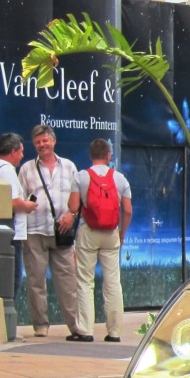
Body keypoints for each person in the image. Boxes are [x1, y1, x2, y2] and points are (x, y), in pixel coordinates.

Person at [18, 124, 84, 339]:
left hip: (62, 231)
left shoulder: (69, 166)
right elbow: (20, 198)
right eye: (37, 142)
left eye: (45, 141)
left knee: (68, 281)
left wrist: (72, 216)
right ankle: (40, 325)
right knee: (36, 280)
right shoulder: (27, 168)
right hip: (35, 230)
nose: (41, 145)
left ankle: (75, 326)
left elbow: (78, 197)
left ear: (53, 141)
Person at [68, 138, 133, 343]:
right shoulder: (120, 179)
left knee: (85, 281)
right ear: (108, 156)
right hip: (111, 233)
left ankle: (85, 330)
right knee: (113, 282)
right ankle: (114, 332)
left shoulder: (81, 176)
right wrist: (122, 233)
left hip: (88, 231)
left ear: (91, 155)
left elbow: (73, 207)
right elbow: (128, 210)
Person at [0, 134, 36, 303]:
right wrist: (28, 205)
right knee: (12, 281)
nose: (22, 156)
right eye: (21, 151)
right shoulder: (7, 170)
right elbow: (14, 203)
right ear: (13, 151)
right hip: (10, 234)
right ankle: (8, 324)